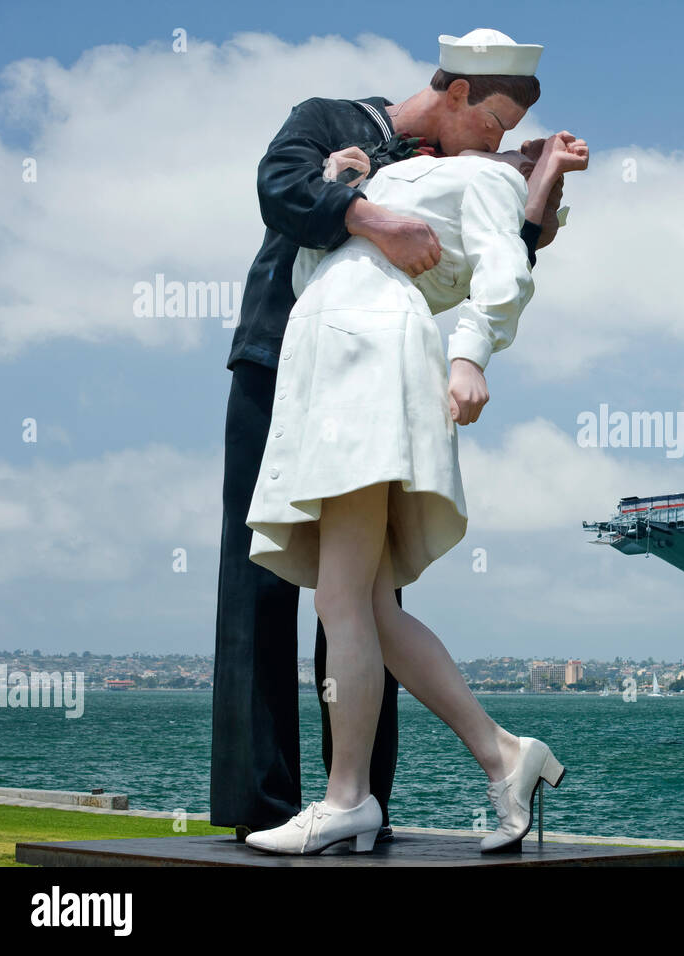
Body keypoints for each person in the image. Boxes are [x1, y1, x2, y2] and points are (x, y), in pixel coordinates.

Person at [211, 27, 563, 845]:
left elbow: (505, 256)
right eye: (495, 122)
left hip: (365, 365)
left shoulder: (467, 171)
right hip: (287, 362)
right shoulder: (335, 122)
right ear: (458, 93)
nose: (499, 142)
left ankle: (352, 799)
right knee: (297, 588)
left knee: (352, 597)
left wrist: (473, 347)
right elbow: (281, 193)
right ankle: (475, 758)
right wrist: (358, 200)